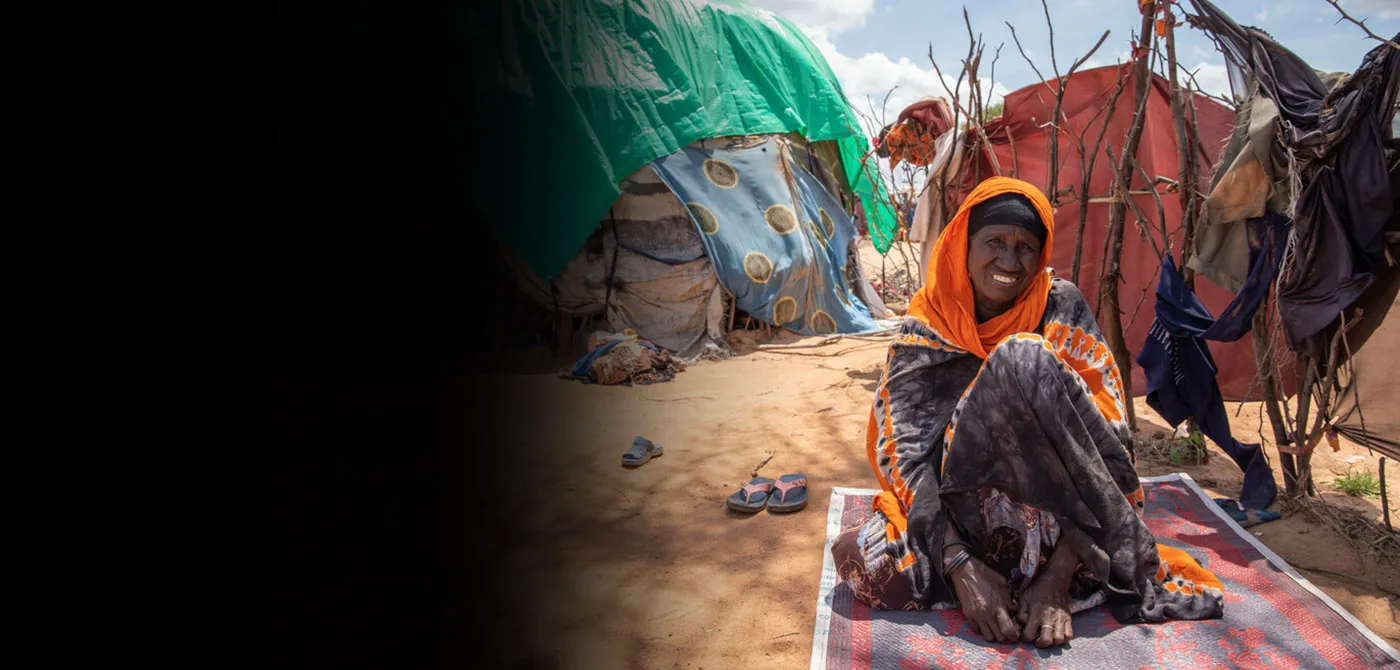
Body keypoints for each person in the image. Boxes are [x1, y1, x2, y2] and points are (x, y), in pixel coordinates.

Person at [830, 177, 1225, 648]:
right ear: (963, 244)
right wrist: (960, 566)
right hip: (963, 528)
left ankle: (1053, 578)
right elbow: (905, 456)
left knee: (1023, 358)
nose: (1010, 261)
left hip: (1064, 529)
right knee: (859, 561)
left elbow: (1110, 451)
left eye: (1026, 248)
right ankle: (985, 580)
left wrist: (1057, 577)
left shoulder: (1060, 307)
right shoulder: (929, 322)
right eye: (994, 242)